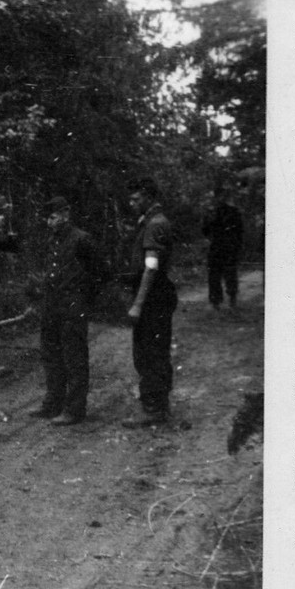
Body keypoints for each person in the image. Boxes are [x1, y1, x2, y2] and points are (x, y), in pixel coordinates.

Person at [30, 196, 107, 426]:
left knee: (74, 358)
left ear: (66, 214)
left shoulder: (82, 240)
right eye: (48, 218)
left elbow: (101, 272)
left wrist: (84, 298)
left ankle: (74, 409)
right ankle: (53, 403)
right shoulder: (53, 240)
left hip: (73, 306)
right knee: (51, 356)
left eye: (53, 217)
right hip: (52, 305)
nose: (49, 223)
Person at [123, 178, 177, 428]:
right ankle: (158, 405)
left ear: (147, 197)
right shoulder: (152, 221)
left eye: (135, 198)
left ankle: (154, 409)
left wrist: (137, 304)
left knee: (150, 353)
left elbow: (151, 267)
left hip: (153, 298)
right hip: (157, 296)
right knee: (154, 351)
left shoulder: (155, 224)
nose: (131, 203)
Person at [202, 183, 244, 309]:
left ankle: (232, 298)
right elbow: (205, 230)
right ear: (216, 197)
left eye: (223, 196)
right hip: (215, 246)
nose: (221, 198)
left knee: (230, 274)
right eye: (219, 196)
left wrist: (237, 246)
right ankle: (215, 301)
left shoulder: (233, 212)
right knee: (214, 276)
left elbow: (239, 230)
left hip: (229, 247)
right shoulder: (211, 212)